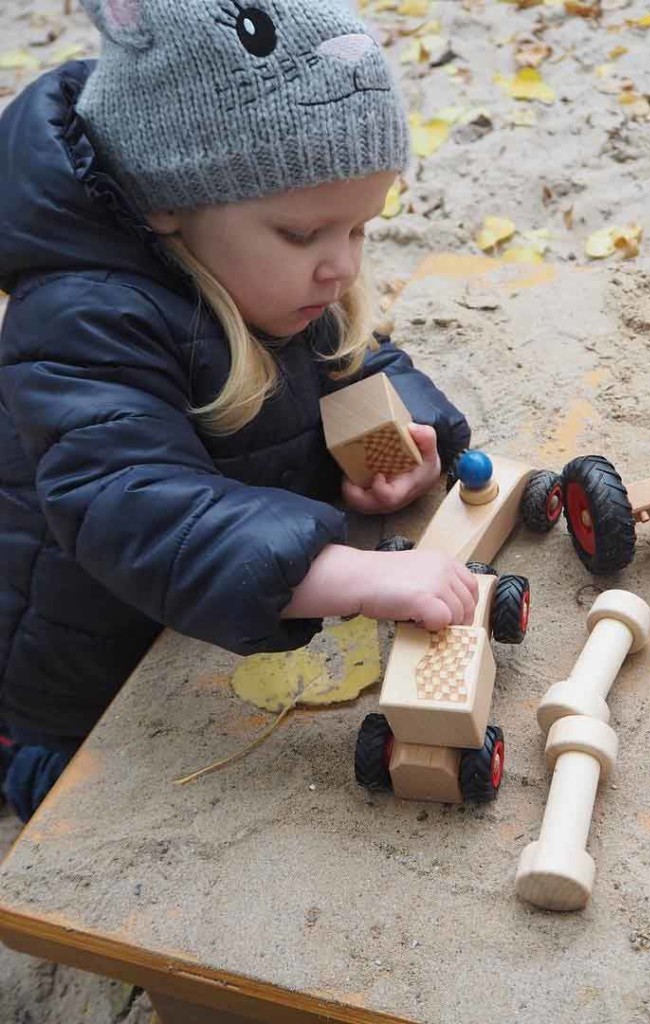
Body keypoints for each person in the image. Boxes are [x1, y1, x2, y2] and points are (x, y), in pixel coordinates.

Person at [0, 0, 478, 821]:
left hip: (211, 608)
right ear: (168, 205)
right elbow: (129, 507)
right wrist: (350, 574)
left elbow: (347, 363)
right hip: (79, 672)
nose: (340, 266)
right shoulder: (82, 319)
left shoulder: (268, 276)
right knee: (76, 818)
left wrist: (405, 436)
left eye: (362, 228)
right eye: (305, 234)